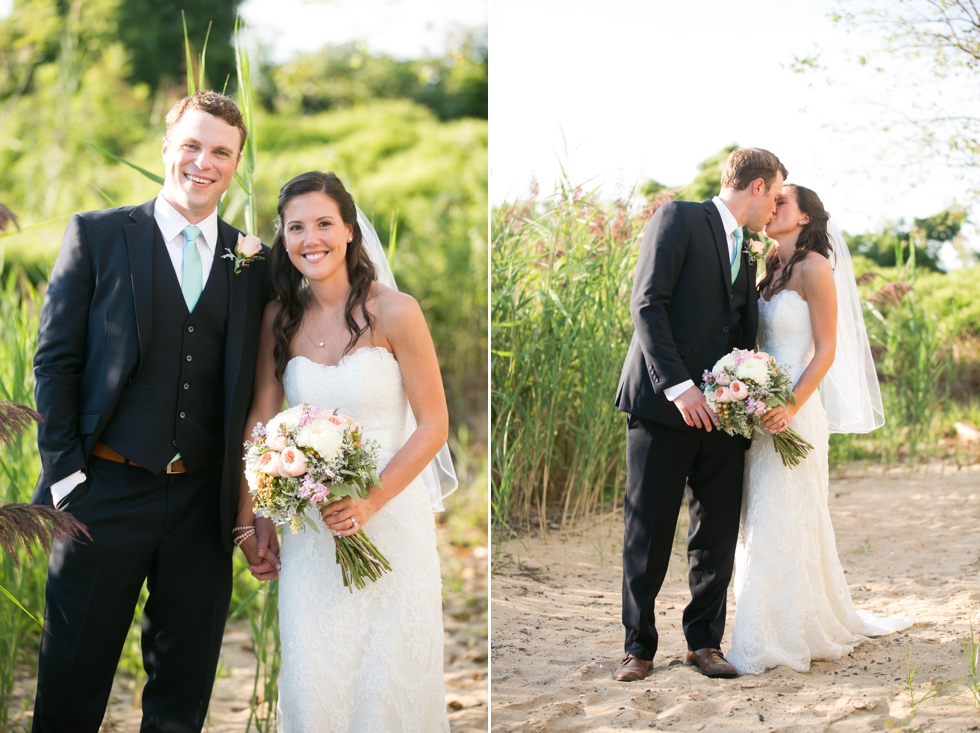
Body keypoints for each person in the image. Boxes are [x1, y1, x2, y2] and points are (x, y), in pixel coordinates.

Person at [31, 90, 280, 733]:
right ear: (166, 147)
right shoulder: (99, 234)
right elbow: (55, 362)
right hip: (102, 493)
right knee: (71, 686)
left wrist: (253, 499)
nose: (204, 161)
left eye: (221, 151)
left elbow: (265, 382)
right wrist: (66, 478)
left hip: (203, 502)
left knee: (183, 690)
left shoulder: (253, 262)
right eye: (192, 145)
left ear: (236, 163)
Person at [240, 170, 456, 730]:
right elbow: (262, 423)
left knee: (389, 682)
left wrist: (367, 503)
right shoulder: (278, 319)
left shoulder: (396, 312)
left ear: (351, 231)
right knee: (318, 680)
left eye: (324, 224)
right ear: (283, 238)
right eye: (296, 227)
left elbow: (434, 425)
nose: (311, 239)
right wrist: (255, 516)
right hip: (310, 532)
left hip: (390, 521)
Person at [614, 147, 786, 682]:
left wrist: (744, 394)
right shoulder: (680, 217)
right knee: (649, 529)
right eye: (776, 194)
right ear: (756, 187)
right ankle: (638, 649)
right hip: (664, 408)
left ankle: (704, 643)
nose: (776, 205)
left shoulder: (750, 251)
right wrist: (680, 388)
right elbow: (648, 304)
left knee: (714, 530)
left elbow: (739, 331)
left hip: (723, 413)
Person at [726, 184, 912, 675]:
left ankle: (787, 632)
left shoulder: (815, 268)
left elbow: (826, 349)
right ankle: (762, 623)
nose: (772, 208)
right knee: (761, 517)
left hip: (795, 409)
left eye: (782, 202)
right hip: (759, 410)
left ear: (805, 218)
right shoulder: (766, 271)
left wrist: (787, 404)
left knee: (787, 515)